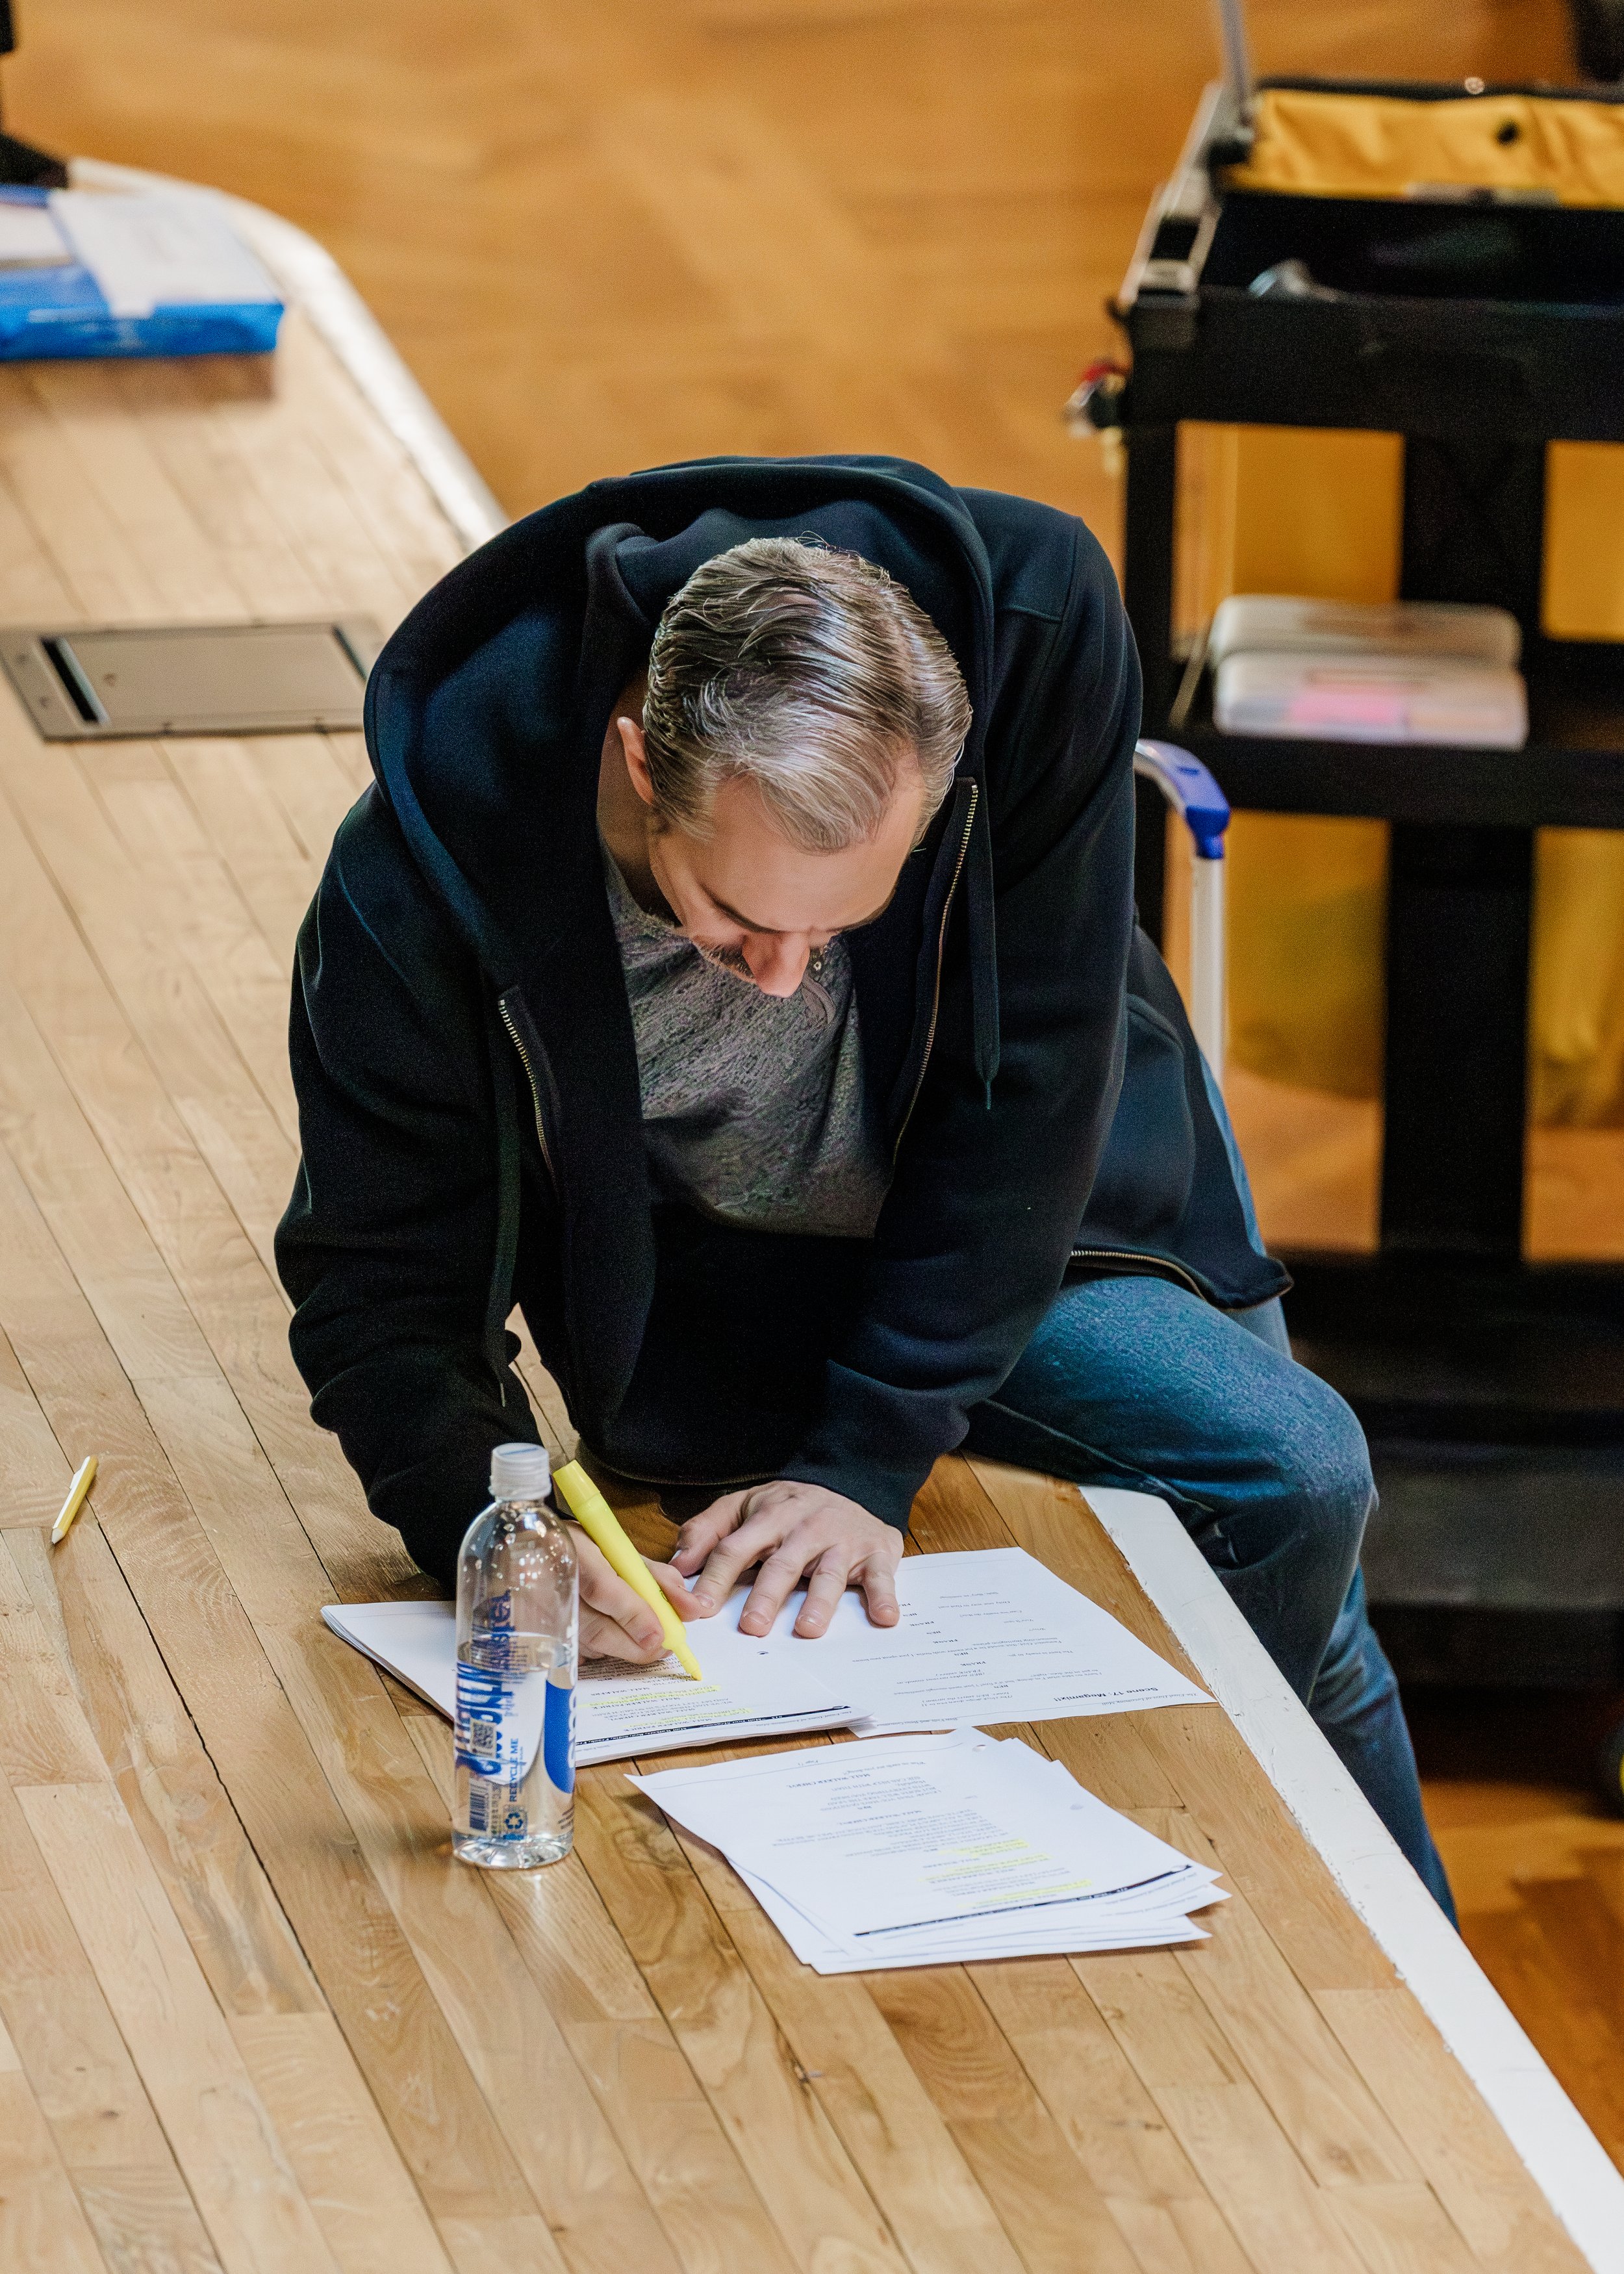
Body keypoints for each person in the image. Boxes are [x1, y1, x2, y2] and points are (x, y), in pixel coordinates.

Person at [276, 454, 1453, 1914]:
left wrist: (866, 1455)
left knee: (1301, 1504)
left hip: (1028, 1207)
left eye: (842, 927)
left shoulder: (1033, 629)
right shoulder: (418, 873)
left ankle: (1389, 1977)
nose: (782, 981)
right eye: (732, 920)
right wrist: (493, 1528)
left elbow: (1040, 1066)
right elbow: (379, 1283)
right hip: (732, 1287)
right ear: (640, 763)